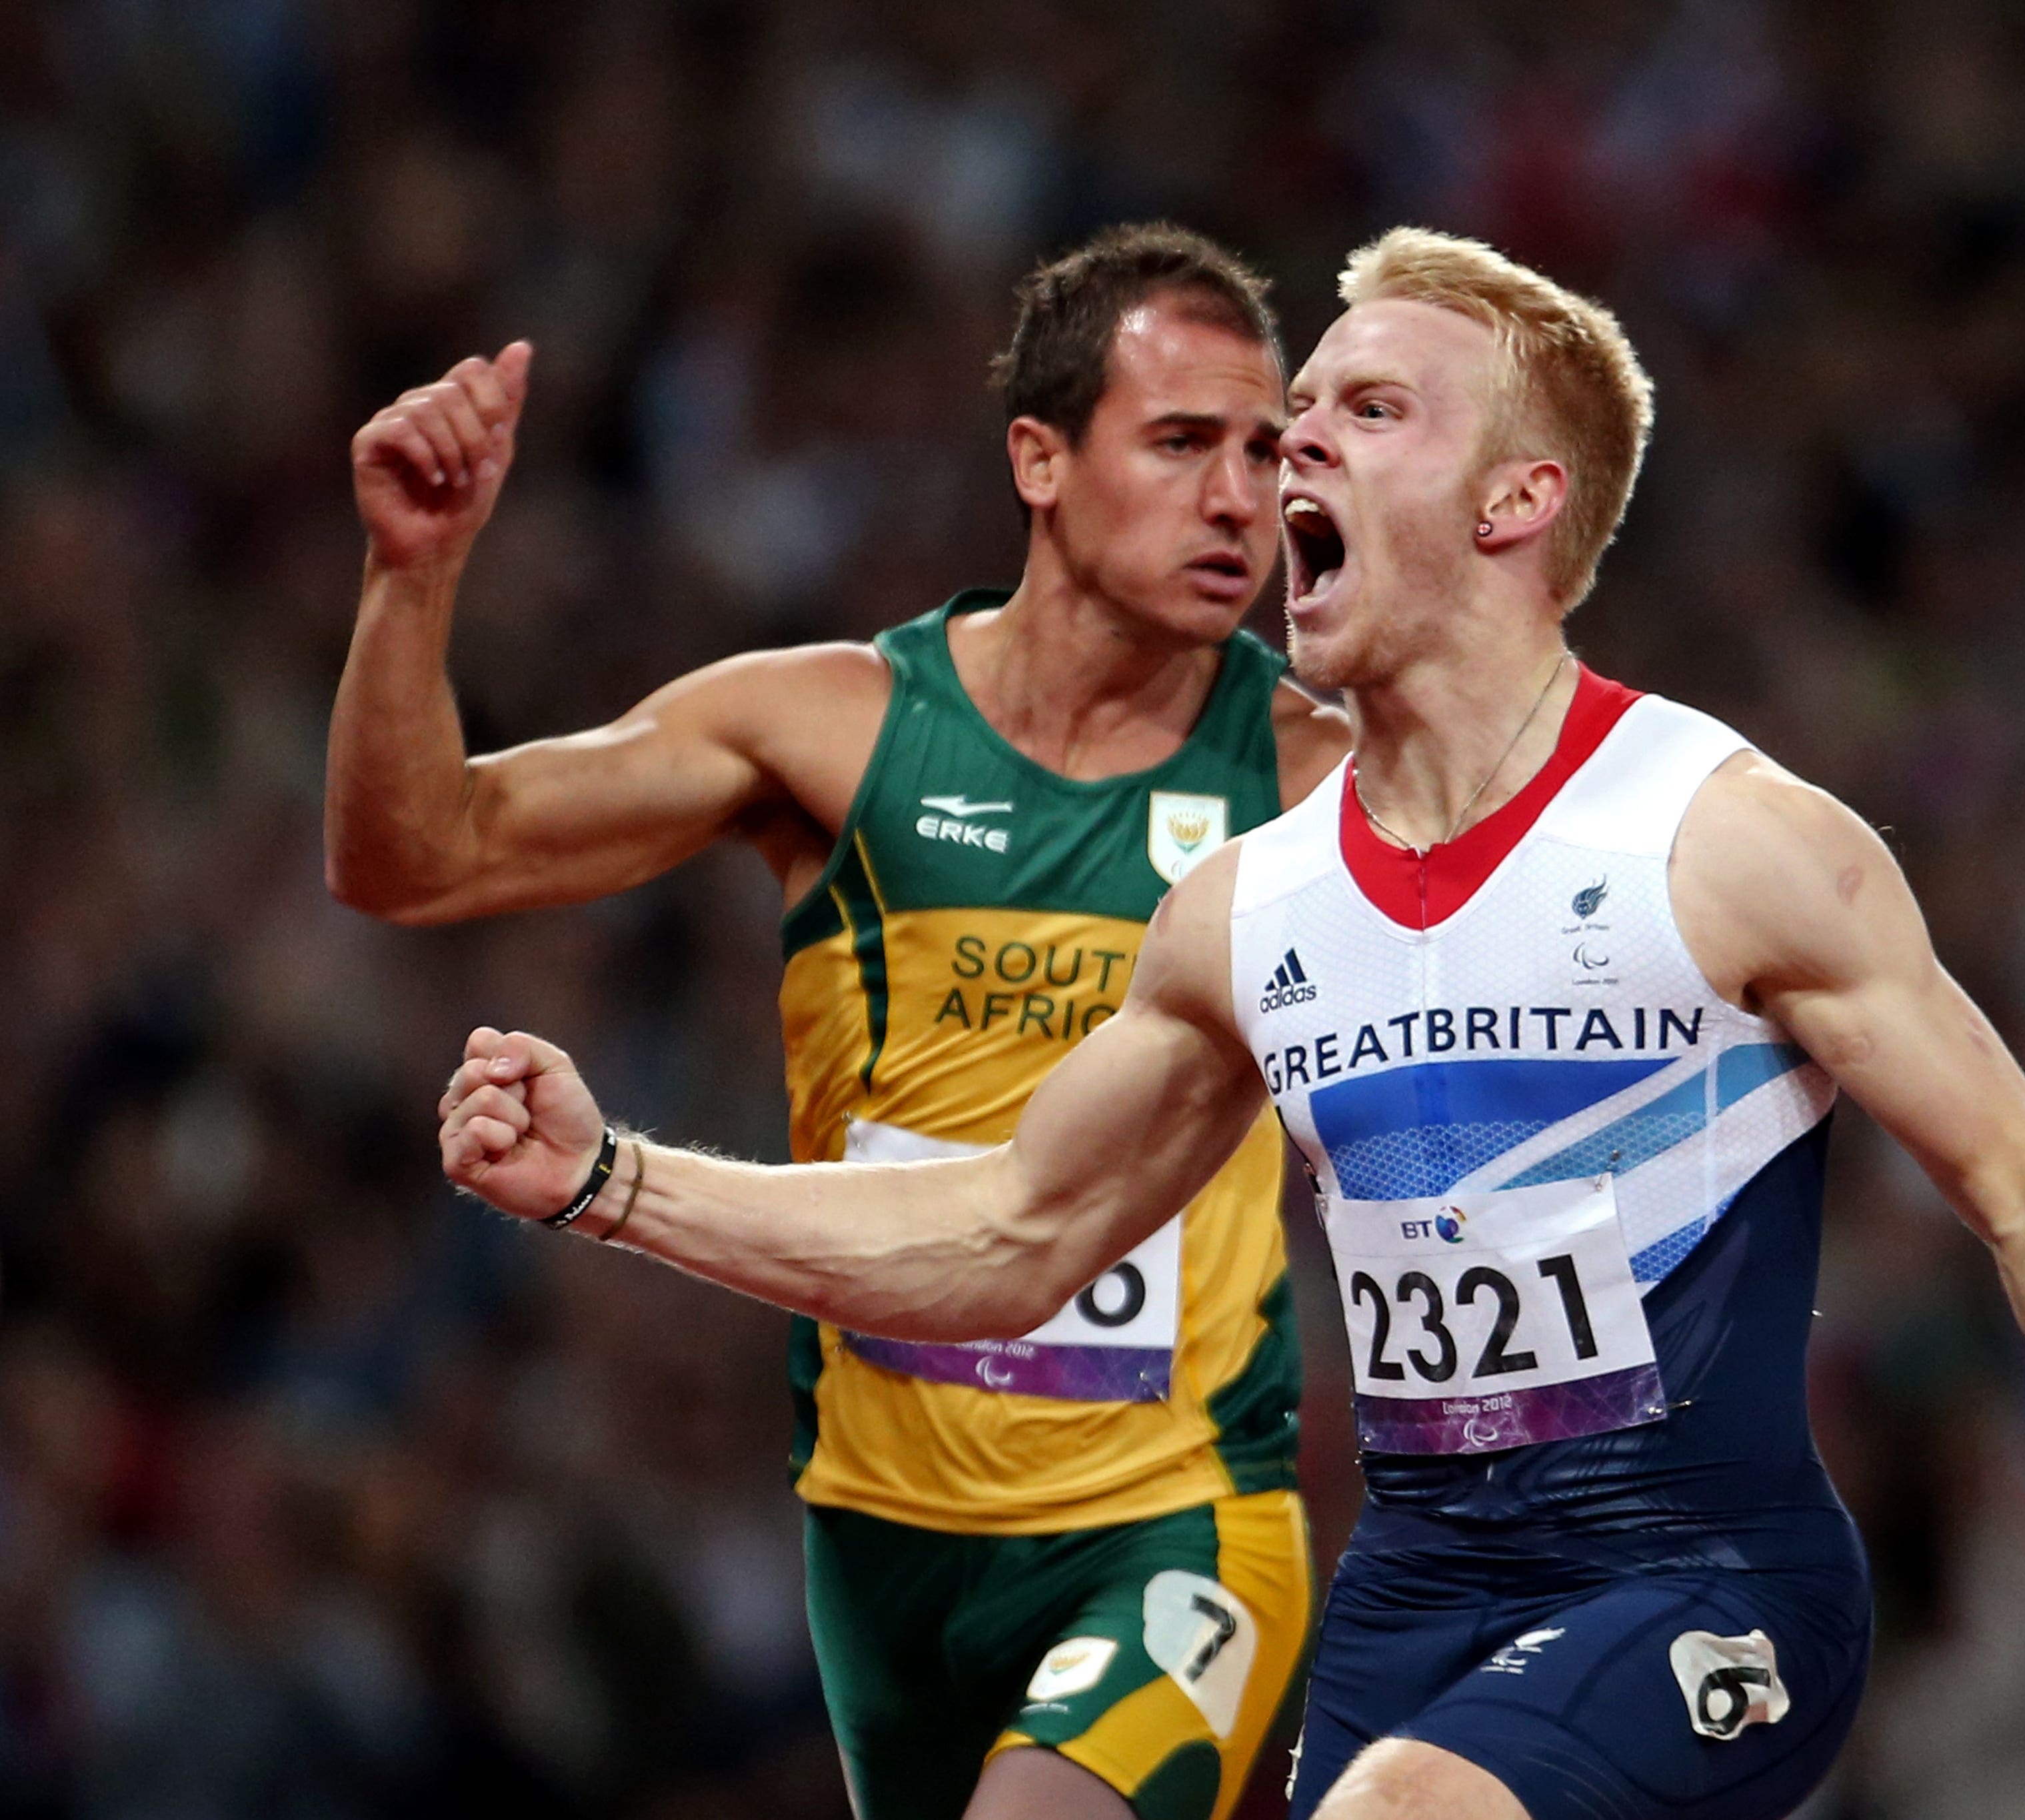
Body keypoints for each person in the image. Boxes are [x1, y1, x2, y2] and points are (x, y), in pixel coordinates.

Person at [430, 227, 2025, 1820]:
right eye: (1294, 405)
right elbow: (1005, 1232)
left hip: (1700, 1578)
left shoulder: (1726, 841)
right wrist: (614, 1178)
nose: (1288, 438)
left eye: (1363, 410)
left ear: (1516, 501)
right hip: (1407, 1601)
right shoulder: (1249, 908)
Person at [330, 224, 1349, 1820]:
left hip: (1178, 1518)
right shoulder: (829, 732)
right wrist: (413, 578)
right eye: (1180, 444)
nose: (1240, 500)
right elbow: (412, 857)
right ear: (1038, 456)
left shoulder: (1313, 782)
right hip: (881, 1539)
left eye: (1263, 453)